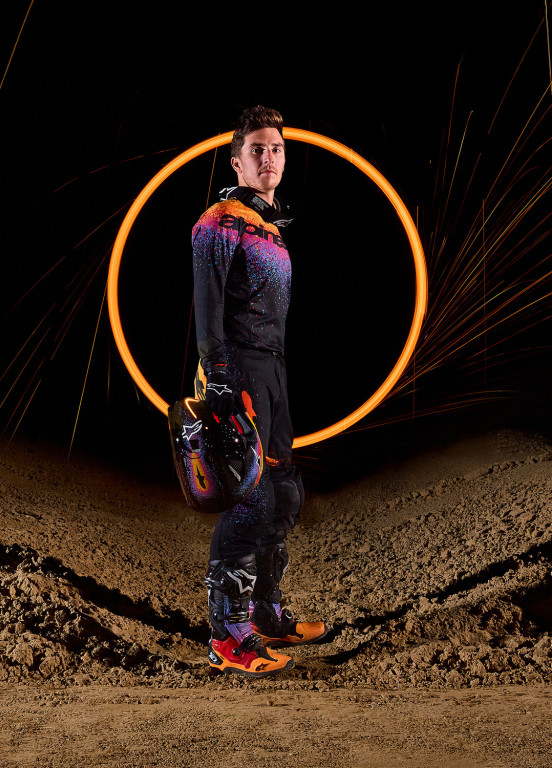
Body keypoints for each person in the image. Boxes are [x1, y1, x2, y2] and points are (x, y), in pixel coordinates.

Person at [192, 105, 326, 677]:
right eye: (257, 149)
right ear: (237, 160)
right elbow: (207, 304)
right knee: (250, 500)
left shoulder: (271, 226)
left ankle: (266, 614)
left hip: (273, 370)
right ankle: (228, 637)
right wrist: (219, 372)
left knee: (284, 493)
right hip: (237, 370)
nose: (268, 157)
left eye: (276, 149)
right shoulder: (219, 221)